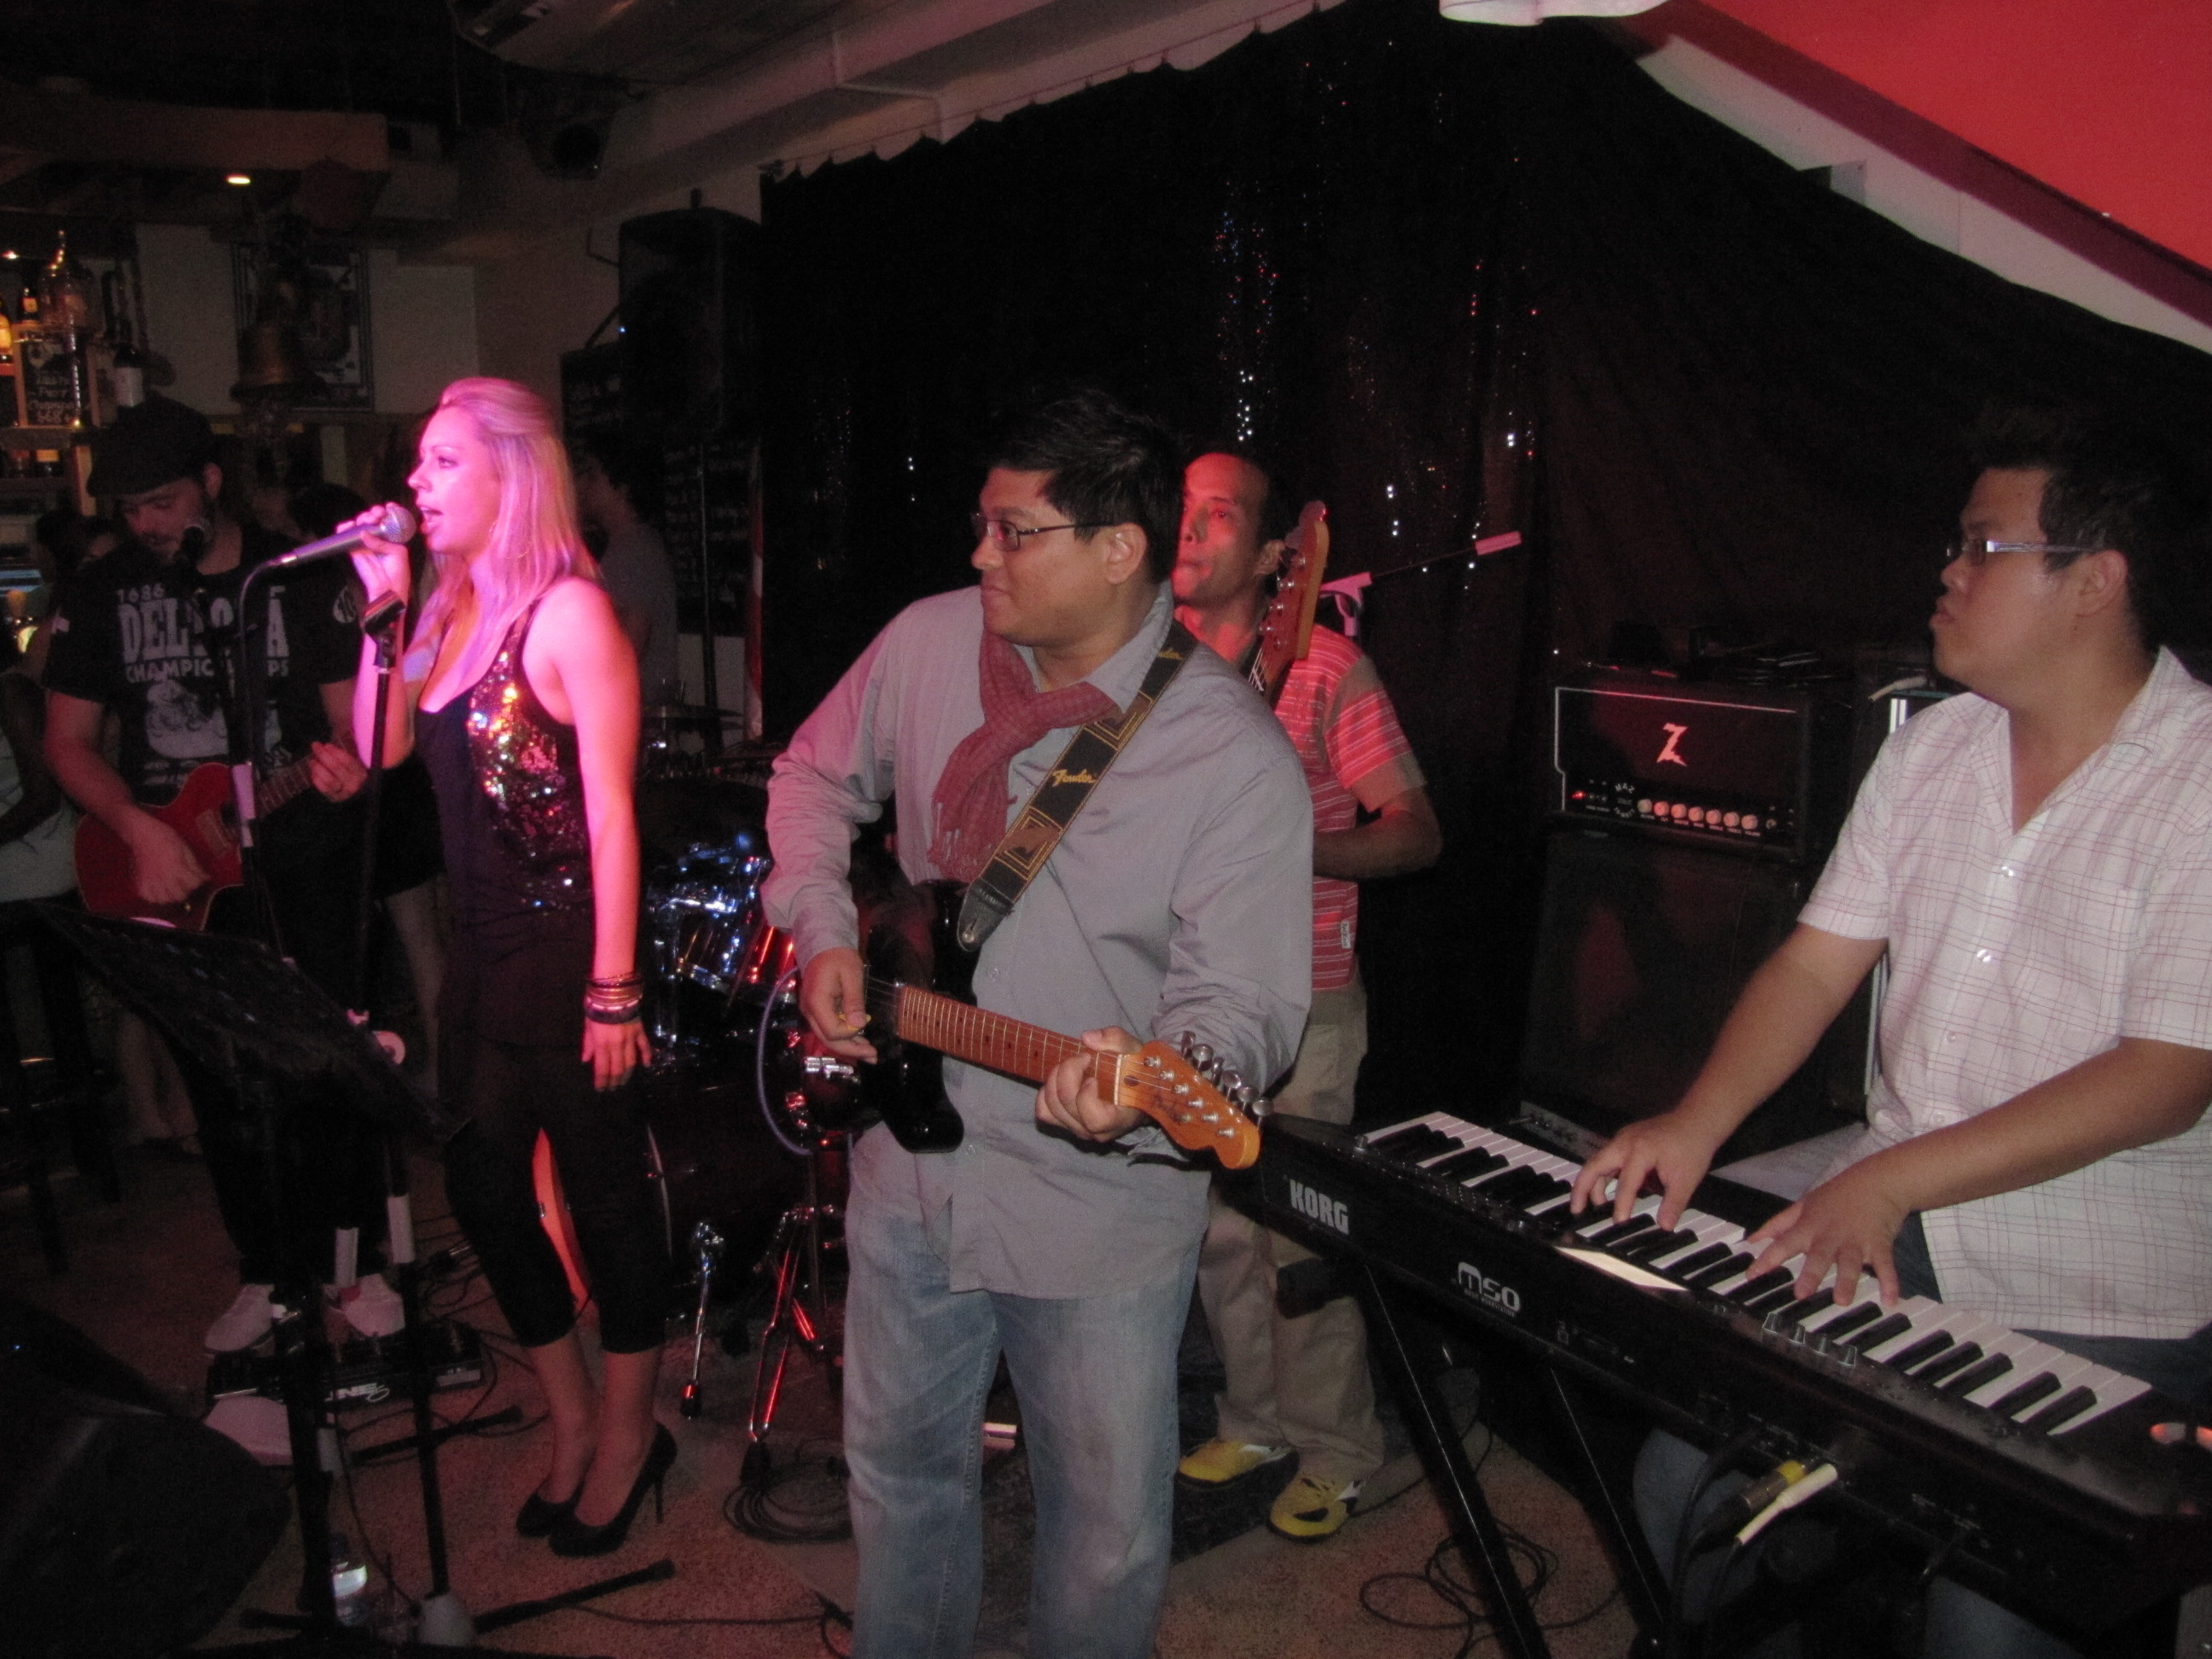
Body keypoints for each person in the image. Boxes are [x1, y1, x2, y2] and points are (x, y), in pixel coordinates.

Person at [1569, 405, 2212, 1659]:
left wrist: (1890, 1180)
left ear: (2096, 582)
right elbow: (1817, 964)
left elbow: (2167, 1076)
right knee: (1682, 1496)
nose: (1948, 572)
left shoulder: (2198, 780)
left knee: (1987, 1624)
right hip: (1891, 1228)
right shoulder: (1931, 752)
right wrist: (1696, 1122)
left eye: (1983, 546)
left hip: (2100, 1291)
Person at [765, 391, 1313, 1659]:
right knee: (898, 1483)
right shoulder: (924, 643)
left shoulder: (1229, 755)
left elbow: (1244, 1009)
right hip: (908, 1170)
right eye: (984, 525)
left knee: (1102, 1539)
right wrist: (825, 928)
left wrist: (1163, 1078)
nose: (981, 555)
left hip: (1095, 1211)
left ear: (1120, 549)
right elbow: (810, 776)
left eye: (1014, 532)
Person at [342, 377, 669, 1559]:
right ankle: (571, 1413)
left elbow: (614, 815)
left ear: (511, 475)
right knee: (483, 1194)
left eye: (442, 462)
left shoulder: (569, 614)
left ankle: (630, 1433)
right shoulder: (445, 609)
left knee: (606, 1201)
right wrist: (384, 609)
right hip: (477, 960)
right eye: (419, 464)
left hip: (571, 955)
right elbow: (376, 745)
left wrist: (616, 990)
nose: (416, 483)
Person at [43, 393, 397, 1352]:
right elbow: (66, 741)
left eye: (160, 501)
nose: (144, 523)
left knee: (327, 1061)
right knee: (220, 1082)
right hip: (177, 871)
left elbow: (351, 725)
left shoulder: (294, 579)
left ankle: (354, 1259)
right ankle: (265, 1269)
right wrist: (136, 829)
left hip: (302, 857)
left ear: (210, 481)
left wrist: (349, 766)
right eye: (129, 508)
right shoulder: (102, 592)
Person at [1170, 449, 1442, 1541]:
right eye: (1181, 509)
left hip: (1311, 1001)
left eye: (1218, 514)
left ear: (1275, 555)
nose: (1189, 530)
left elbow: (1415, 833)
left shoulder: (1327, 668)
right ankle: (1256, 1421)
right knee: (1220, 1232)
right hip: (1193, 997)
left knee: (1299, 1235)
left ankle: (1338, 1450)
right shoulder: (1153, 666)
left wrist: (1296, 847)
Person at [571, 433, 681, 706]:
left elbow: (631, 644)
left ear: (622, 488)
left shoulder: (634, 550)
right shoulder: (629, 546)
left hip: (637, 710)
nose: (582, 485)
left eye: (593, 476)